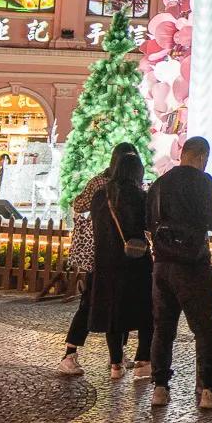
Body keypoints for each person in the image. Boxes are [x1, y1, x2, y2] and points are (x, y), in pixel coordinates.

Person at [147, 135, 212, 410]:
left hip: (161, 265)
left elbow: (149, 222)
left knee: (163, 328)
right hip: (192, 266)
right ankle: (209, 388)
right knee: (205, 327)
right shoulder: (203, 182)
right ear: (202, 157)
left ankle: (159, 388)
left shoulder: (159, 184)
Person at [59, 141, 138, 377]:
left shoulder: (102, 182)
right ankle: (70, 353)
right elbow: (79, 204)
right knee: (91, 303)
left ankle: (117, 356)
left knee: (111, 304)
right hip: (103, 255)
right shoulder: (106, 184)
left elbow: (80, 204)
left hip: (107, 255)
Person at [87, 149, 154, 378]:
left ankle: (116, 363)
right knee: (146, 311)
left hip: (106, 263)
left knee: (112, 313)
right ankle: (143, 360)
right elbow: (149, 226)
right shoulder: (139, 197)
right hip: (136, 262)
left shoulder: (101, 197)